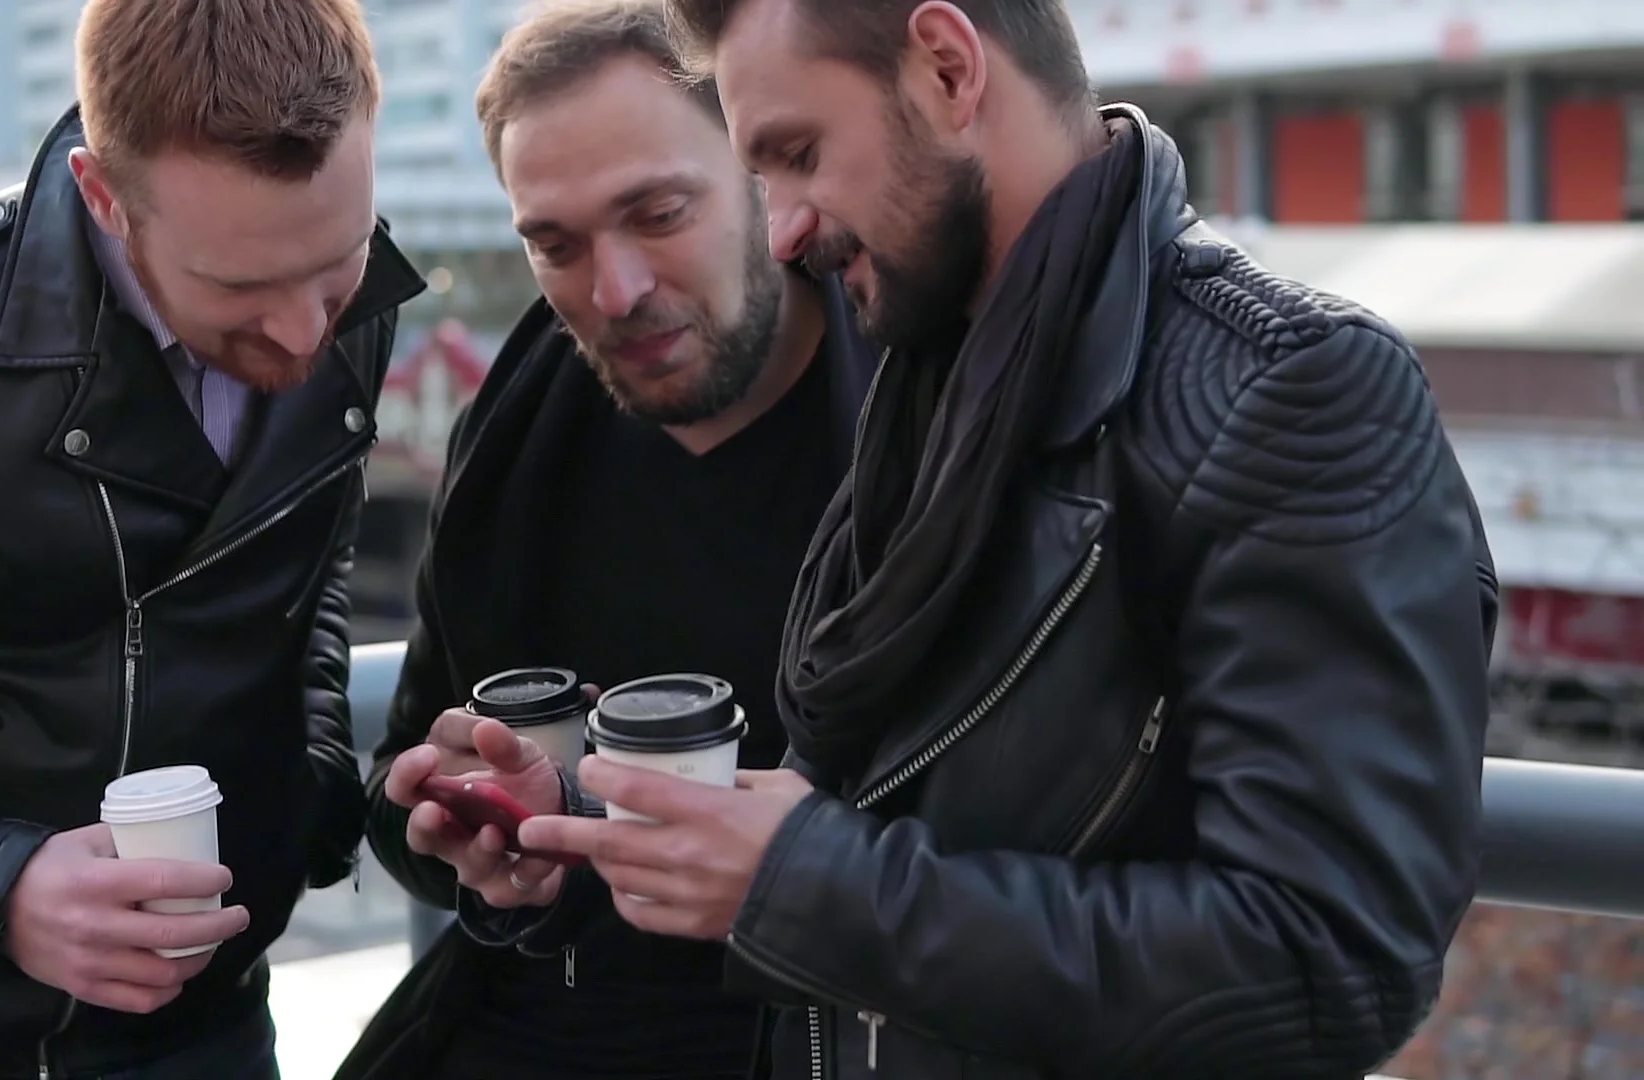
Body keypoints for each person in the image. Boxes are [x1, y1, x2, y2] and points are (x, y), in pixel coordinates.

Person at [518, 2, 1501, 1078]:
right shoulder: (941, 368)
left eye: (799, 155)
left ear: (946, 69)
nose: (786, 228)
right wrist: (570, 842)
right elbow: (884, 823)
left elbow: (1331, 966)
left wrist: (807, 885)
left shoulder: (1294, 391)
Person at [0, 0, 423, 1076]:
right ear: (105, 195)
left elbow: (306, 580)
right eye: (239, 286)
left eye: (335, 264)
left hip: (210, 1022)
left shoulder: (354, 310)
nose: (304, 331)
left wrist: (313, 791)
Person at [344, 3, 874, 1078]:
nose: (615, 289)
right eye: (556, 243)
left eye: (659, 212)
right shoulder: (521, 432)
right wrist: (481, 852)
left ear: (767, 174)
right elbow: (408, 807)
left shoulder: (920, 425)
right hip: (535, 1025)